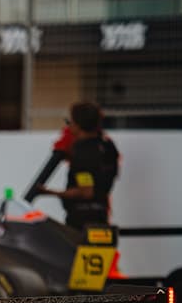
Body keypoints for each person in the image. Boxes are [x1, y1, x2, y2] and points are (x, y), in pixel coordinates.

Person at [34, 99, 120, 230]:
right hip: (101, 216)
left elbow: (86, 192)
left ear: (77, 125)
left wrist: (48, 192)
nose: (68, 126)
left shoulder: (83, 152)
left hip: (81, 221)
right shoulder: (108, 146)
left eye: (70, 122)